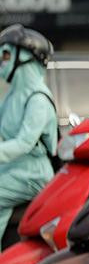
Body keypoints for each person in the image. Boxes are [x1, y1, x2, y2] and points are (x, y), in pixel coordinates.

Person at [0, 25, 57, 245]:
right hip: (14, 167)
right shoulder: (12, 95)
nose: (2, 61)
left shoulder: (38, 99)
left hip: (34, 173)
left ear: (24, 57)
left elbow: (24, 143)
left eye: (6, 55)